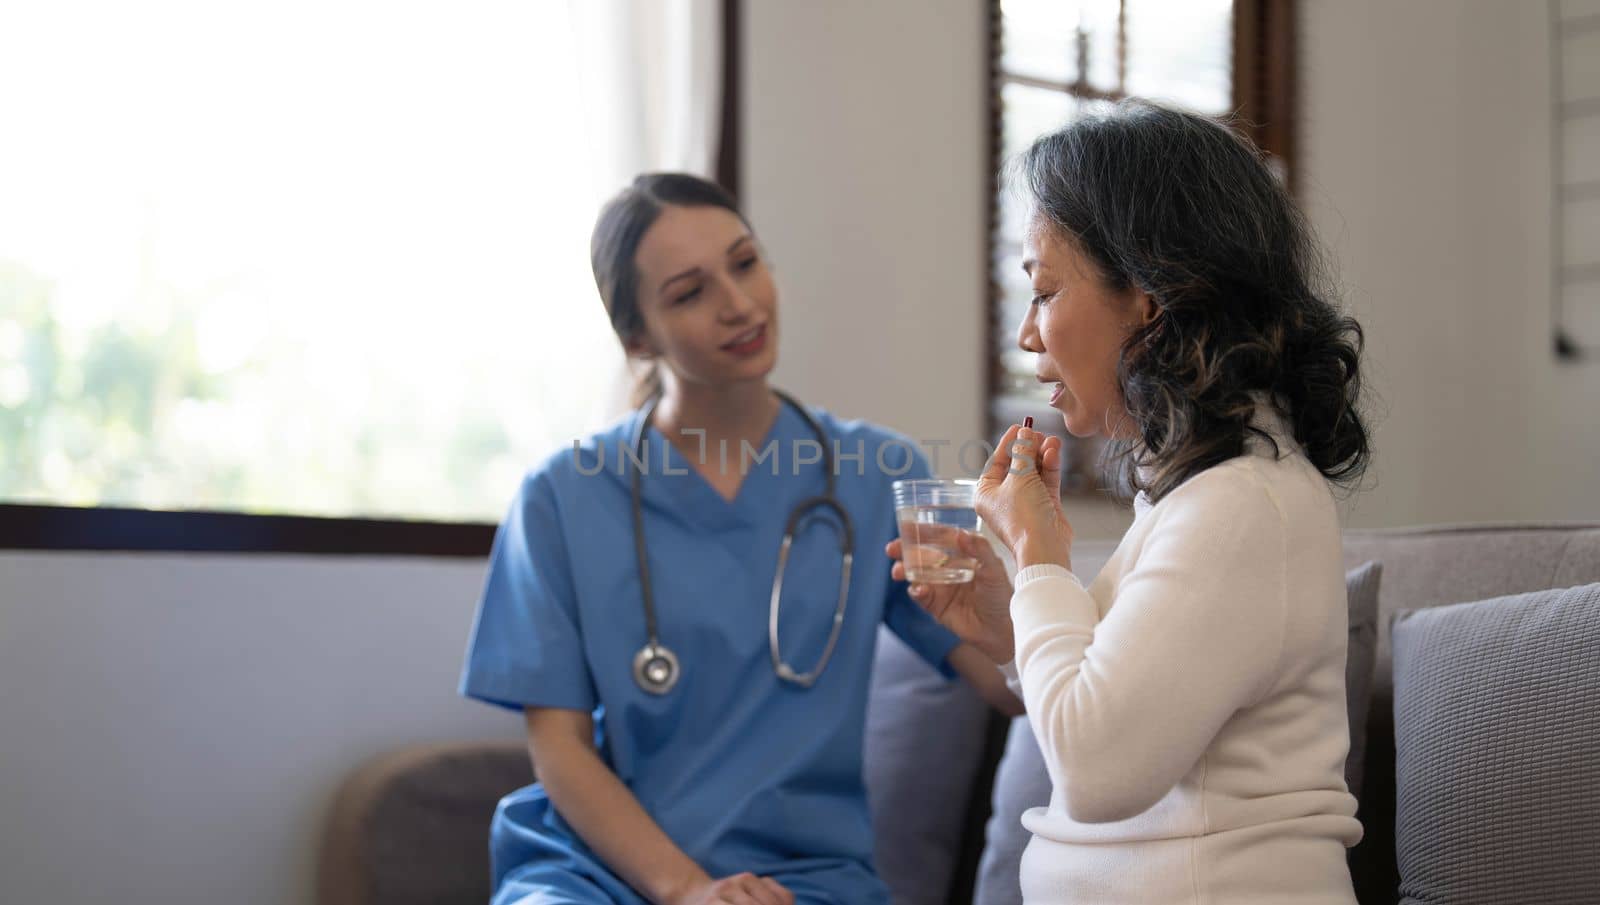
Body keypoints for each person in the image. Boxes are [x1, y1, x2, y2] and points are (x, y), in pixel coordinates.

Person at [460, 172, 1020, 905]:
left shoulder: (879, 473)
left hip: (805, 879)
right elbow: (558, 747)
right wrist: (688, 889)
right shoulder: (561, 496)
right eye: (690, 292)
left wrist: (1027, 590)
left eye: (745, 262)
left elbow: (1008, 683)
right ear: (637, 337)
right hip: (595, 870)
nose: (739, 303)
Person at [891, 101, 1372, 904]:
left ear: (1150, 296)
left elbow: (1096, 767)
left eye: (1044, 291)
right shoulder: (1201, 493)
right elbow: (1126, 700)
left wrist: (1041, 555)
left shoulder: (1245, 505)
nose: (1027, 336)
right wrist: (1012, 620)